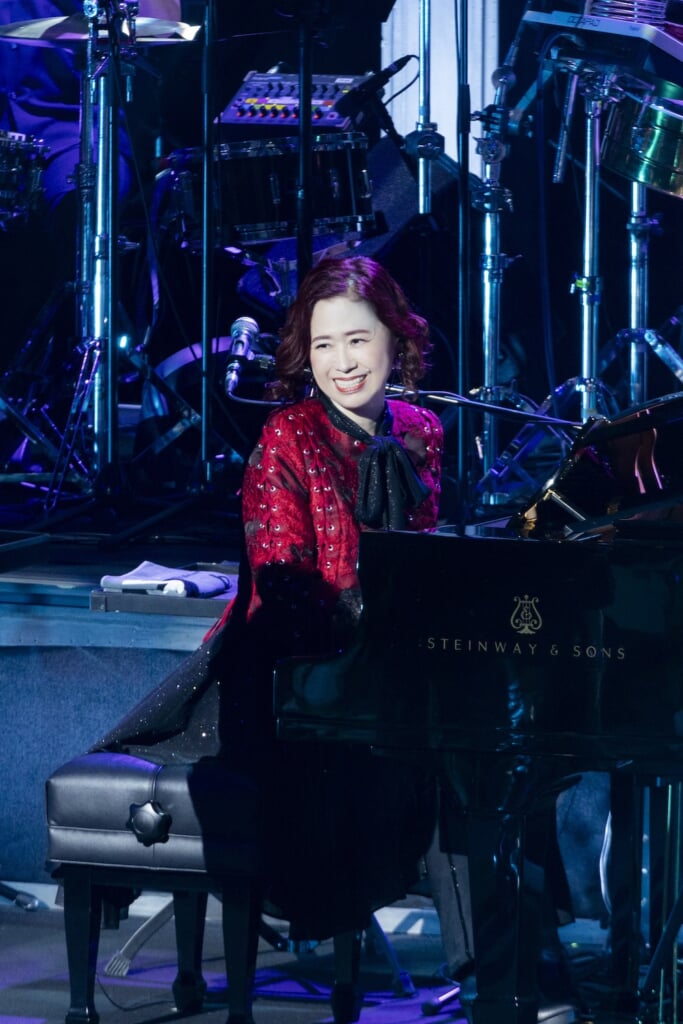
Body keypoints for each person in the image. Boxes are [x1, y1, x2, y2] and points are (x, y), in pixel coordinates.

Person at [95, 254, 446, 1021]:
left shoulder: (422, 429)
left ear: (395, 340)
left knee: (476, 749)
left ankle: (496, 974)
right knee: (368, 762)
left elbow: (425, 555)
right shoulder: (287, 435)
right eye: (323, 344)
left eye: (357, 339)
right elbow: (286, 587)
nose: (342, 361)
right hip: (282, 665)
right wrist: (365, 649)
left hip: (385, 660)